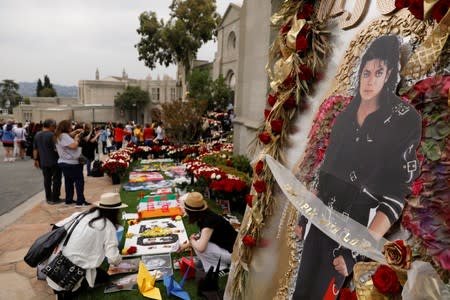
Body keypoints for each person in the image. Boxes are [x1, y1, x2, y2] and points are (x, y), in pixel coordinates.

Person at [293, 35, 422, 299]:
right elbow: (325, 173)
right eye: (366, 72)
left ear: (389, 76)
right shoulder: (344, 117)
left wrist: (356, 250)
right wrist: (303, 217)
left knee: (326, 294)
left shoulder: (404, 120)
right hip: (320, 224)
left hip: (354, 229)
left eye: (379, 72)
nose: (370, 80)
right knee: (302, 292)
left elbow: (396, 195)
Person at [47, 192, 127, 299]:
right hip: (70, 277)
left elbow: (56, 226)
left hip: (54, 268)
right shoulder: (108, 226)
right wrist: (120, 259)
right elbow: (113, 259)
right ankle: (67, 293)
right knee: (103, 278)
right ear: (115, 211)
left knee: (101, 276)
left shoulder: (81, 214)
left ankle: (63, 292)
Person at [178, 192, 237, 273]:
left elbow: (201, 248)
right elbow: (201, 235)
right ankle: (215, 265)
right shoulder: (206, 215)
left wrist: (192, 241)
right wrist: (185, 246)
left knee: (199, 245)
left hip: (233, 254)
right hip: (232, 249)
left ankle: (221, 267)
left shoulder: (208, 221)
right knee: (198, 242)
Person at [55, 120, 89, 207]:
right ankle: (80, 201)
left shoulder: (59, 135)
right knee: (79, 181)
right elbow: (73, 146)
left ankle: (69, 200)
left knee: (68, 182)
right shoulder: (64, 136)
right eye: (70, 126)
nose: (71, 127)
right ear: (66, 127)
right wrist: (77, 139)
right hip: (71, 163)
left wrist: (76, 132)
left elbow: (68, 136)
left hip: (64, 162)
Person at [33, 119, 63, 205]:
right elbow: (57, 149)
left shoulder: (37, 134)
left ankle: (48, 197)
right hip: (54, 161)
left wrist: (35, 160)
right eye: (54, 126)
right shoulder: (52, 135)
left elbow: (35, 149)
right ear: (51, 126)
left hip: (43, 162)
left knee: (47, 180)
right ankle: (55, 198)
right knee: (57, 180)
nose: (55, 127)